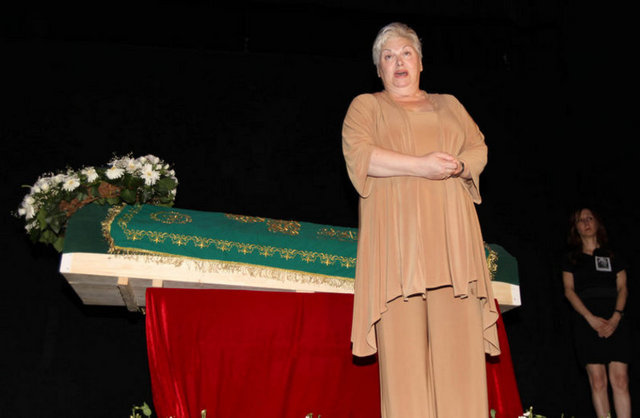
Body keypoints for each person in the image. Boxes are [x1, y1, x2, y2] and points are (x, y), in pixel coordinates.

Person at [341, 22, 500, 417]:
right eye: (388, 56)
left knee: (461, 364)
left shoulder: (449, 104)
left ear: (421, 63)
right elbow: (362, 158)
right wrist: (422, 166)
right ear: (378, 69)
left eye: (406, 53)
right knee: (404, 369)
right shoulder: (366, 106)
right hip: (398, 251)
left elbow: (478, 147)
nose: (398, 62)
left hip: (453, 248)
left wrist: (460, 166)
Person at [562, 208, 631, 418]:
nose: (586, 222)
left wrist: (616, 317)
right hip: (587, 322)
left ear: (597, 223)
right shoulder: (571, 259)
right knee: (598, 381)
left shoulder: (612, 256)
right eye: (580, 220)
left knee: (620, 380)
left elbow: (623, 288)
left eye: (589, 218)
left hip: (615, 319)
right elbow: (569, 291)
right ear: (575, 228)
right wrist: (590, 319)